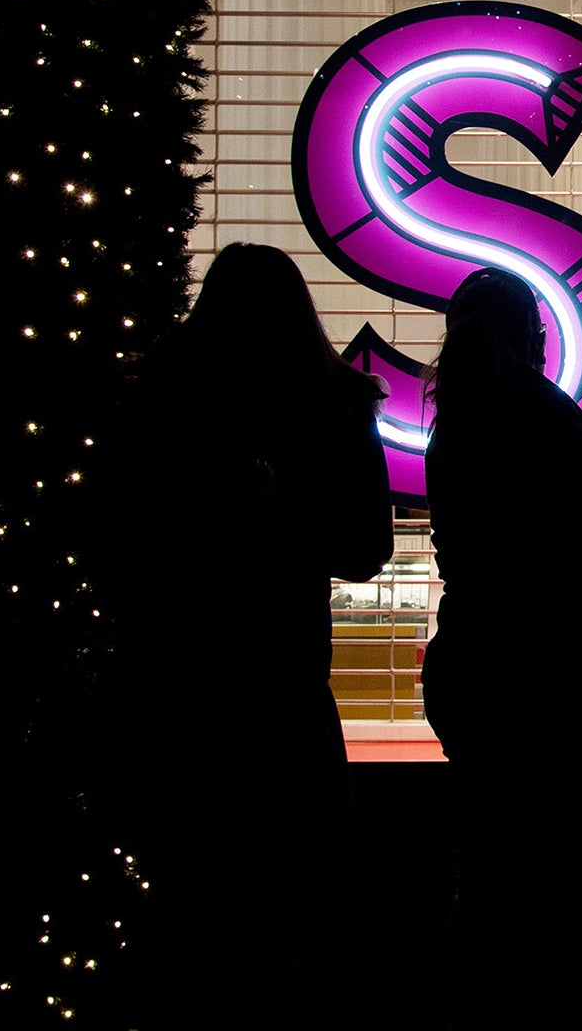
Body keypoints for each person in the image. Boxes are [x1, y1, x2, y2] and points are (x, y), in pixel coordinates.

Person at [113, 242, 391, 1030]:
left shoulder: (161, 399)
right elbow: (365, 545)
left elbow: (123, 532)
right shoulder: (335, 404)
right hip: (284, 678)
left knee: (195, 892)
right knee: (295, 892)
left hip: (182, 678)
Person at [421, 266, 582, 1028]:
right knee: (542, 870)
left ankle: (471, 1019)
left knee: (488, 862)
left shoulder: (451, 420)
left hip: (468, 655)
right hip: (539, 669)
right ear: (535, 333)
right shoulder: (547, 418)